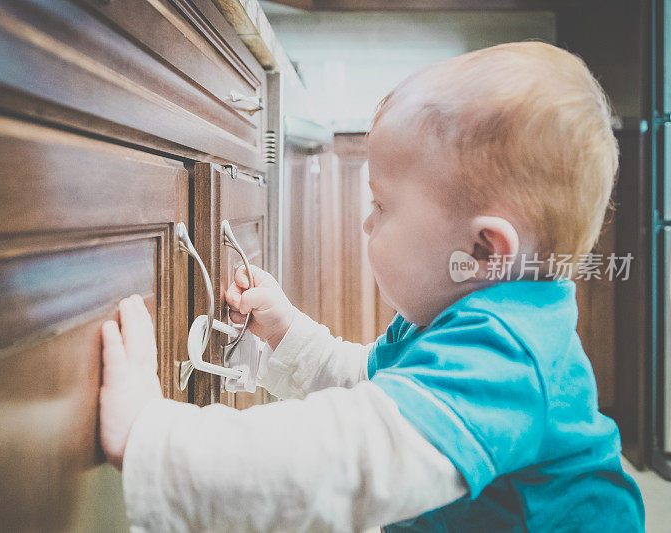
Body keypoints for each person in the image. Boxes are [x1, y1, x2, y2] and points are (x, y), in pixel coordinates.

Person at [98, 42, 645, 532]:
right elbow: (370, 385)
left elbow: (348, 458)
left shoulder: (508, 357)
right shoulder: (462, 317)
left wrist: (155, 440)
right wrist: (287, 334)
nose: (367, 223)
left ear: (482, 251)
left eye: (382, 206)